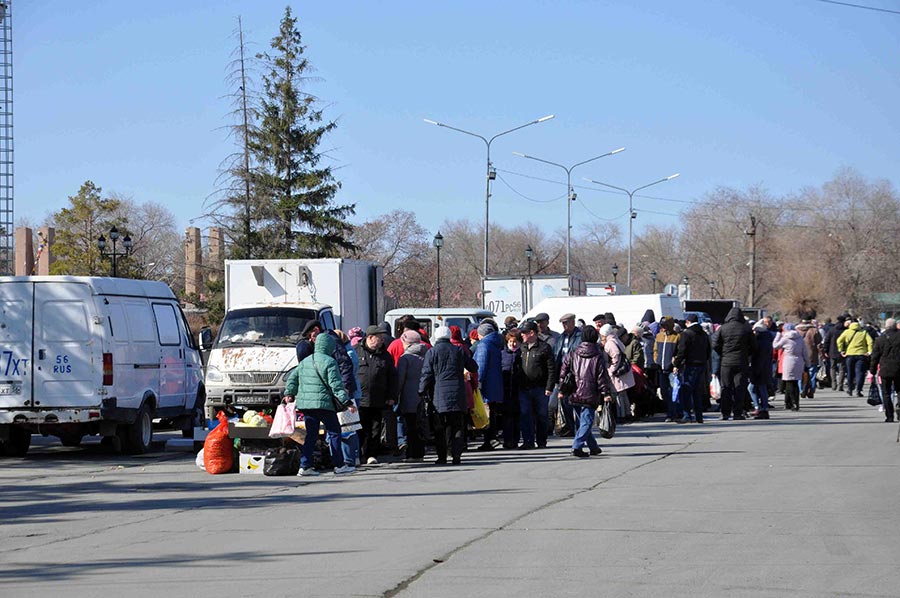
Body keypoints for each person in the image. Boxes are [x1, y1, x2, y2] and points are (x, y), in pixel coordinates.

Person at [283, 332, 355, 476]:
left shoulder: (305, 361)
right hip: (324, 404)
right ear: (329, 346)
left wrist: (288, 393)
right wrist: (347, 402)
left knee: (310, 435)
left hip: (306, 405)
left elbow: (292, 378)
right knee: (334, 432)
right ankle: (339, 465)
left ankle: (305, 466)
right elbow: (335, 385)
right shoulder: (329, 362)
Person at [419, 326, 478, 465]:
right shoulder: (459, 351)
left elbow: (426, 374)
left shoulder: (432, 352)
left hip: (439, 395)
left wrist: (421, 390)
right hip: (458, 393)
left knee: (440, 427)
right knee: (457, 425)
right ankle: (456, 455)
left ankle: (442, 457)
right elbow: (474, 367)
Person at [558, 325, 613, 458]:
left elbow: (563, 372)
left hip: (574, 391)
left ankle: (593, 447)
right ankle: (577, 446)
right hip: (590, 393)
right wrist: (606, 393)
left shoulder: (572, 353)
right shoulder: (598, 356)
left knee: (582, 422)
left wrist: (562, 389)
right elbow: (602, 377)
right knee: (586, 421)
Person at [356, 324, 399, 465]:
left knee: (375, 429)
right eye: (379, 338)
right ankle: (359, 453)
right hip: (360, 399)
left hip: (378, 398)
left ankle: (371, 454)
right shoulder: (357, 352)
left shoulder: (385, 355)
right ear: (370, 338)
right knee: (360, 428)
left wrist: (392, 396)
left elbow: (393, 377)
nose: (382, 340)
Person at [515, 320, 556, 450]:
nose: (522, 335)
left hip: (540, 388)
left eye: (524, 333)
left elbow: (551, 369)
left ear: (531, 333)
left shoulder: (544, 348)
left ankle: (541, 441)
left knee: (541, 415)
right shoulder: (522, 348)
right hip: (524, 388)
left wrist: (549, 387)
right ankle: (528, 441)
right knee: (525, 414)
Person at [712, 307, 757, 421]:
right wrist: (746, 354)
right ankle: (738, 412)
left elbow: (715, 343)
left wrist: (723, 353)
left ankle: (725, 412)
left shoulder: (723, 328)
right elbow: (754, 346)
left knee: (726, 387)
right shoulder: (746, 328)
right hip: (741, 362)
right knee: (740, 388)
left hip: (726, 362)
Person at [672, 313, 710, 424]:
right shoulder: (703, 334)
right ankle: (699, 416)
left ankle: (687, 415)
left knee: (686, 390)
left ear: (688, 322)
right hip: (702, 364)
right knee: (697, 391)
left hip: (690, 365)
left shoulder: (686, 334)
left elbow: (682, 351)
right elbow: (708, 350)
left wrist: (677, 364)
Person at [396, 330, 428, 461]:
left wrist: (395, 394)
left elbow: (400, 380)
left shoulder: (405, 358)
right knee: (420, 425)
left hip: (408, 397)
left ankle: (411, 454)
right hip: (422, 397)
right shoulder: (426, 355)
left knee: (410, 426)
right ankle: (420, 453)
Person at [473, 321, 504, 451]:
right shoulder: (497, 343)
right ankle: (492, 438)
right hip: (496, 383)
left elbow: (481, 365)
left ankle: (489, 440)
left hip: (486, 385)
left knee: (486, 414)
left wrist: (477, 382)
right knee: (493, 412)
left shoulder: (484, 345)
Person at [552, 313, 582, 437]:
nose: (564, 326)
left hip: (576, 373)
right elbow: (556, 356)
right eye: (563, 323)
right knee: (565, 401)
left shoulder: (580, 336)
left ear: (573, 322)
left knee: (578, 401)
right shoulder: (560, 338)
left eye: (566, 323)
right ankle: (569, 427)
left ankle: (581, 428)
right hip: (563, 374)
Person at [599, 323, 635, 422]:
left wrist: (611, 369)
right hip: (622, 371)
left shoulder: (610, 343)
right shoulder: (615, 339)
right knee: (623, 394)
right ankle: (627, 413)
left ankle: (621, 415)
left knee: (619, 394)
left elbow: (616, 355)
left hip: (617, 373)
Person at [869, 318, 900, 423]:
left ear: (886, 326)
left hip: (885, 369)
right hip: (899, 368)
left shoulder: (880, 339)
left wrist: (872, 371)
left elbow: (875, 357)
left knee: (886, 392)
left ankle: (889, 415)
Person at [773, 323, 809, 411]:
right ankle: (793, 402)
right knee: (795, 382)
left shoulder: (785, 338)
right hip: (799, 361)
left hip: (788, 361)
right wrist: (807, 364)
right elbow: (805, 352)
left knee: (789, 383)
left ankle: (792, 403)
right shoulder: (800, 338)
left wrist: (778, 335)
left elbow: (775, 346)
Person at [837, 319, 874, 398]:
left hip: (849, 354)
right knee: (860, 373)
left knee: (850, 372)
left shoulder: (846, 332)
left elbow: (839, 340)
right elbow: (870, 342)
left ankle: (850, 389)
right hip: (861, 354)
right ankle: (858, 390)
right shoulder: (863, 333)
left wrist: (841, 350)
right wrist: (869, 351)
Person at [654, 317, 681, 422]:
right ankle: (670, 412)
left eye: (665, 326)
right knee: (664, 392)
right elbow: (655, 350)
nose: (663, 328)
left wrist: (675, 364)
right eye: (662, 326)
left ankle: (673, 413)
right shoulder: (658, 336)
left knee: (674, 391)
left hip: (671, 369)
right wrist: (657, 360)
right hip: (661, 368)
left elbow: (679, 352)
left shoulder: (677, 337)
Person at [749, 318, 776, 419]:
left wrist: (755, 370)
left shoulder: (760, 342)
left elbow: (759, 358)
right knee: (762, 388)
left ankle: (760, 407)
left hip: (759, 368)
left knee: (753, 388)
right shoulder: (767, 339)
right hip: (765, 368)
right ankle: (762, 408)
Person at [501, 330, 522, 449]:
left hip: (518, 389)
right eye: (510, 342)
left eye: (515, 342)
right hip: (506, 389)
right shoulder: (503, 354)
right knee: (507, 417)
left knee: (517, 417)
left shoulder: (521, 353)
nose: (513, 344)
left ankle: (515, 439)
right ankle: (508, 440)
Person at [797, 316, 822, 399]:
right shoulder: (814, 330)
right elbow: (819, 343)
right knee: (812, 374)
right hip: (811, 354)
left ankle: (801, 390)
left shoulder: (796, 330)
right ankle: (811, 391)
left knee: (800, 373)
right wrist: (822, 354)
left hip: (799, 355)